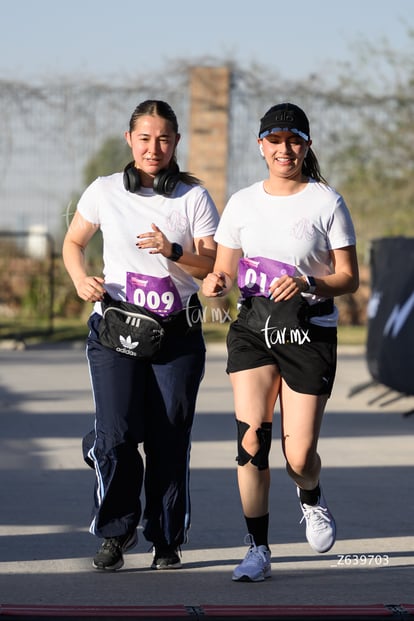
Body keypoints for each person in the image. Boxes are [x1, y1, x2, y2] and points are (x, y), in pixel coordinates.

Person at [202, 102, 359, 582]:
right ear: (261, 146)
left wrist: (309, 283)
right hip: (254, 331)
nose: (284, 149)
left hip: (309, 333)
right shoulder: (243, 203)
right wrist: (215, 284)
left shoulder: (325, 201)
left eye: (293, 140)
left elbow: (348, 277)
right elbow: (224, 271)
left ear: (306, 146)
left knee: (298, 457)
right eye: (275, 140)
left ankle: (310, 496)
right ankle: (257, 548)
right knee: (251, 442)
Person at [62, 99, 219, 571]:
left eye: (165, 139)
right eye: (145, 138)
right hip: (115, 329)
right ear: (130, 140)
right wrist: (79, 278)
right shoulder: (105, 190)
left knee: (169, 438)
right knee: (117, 437)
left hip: (176, 335)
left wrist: (172, 250)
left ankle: (165, 538)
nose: (155, 148)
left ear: (176, 143)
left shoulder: (193, 196)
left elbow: (212, 263)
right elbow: (74, 242)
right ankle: (114, 532)